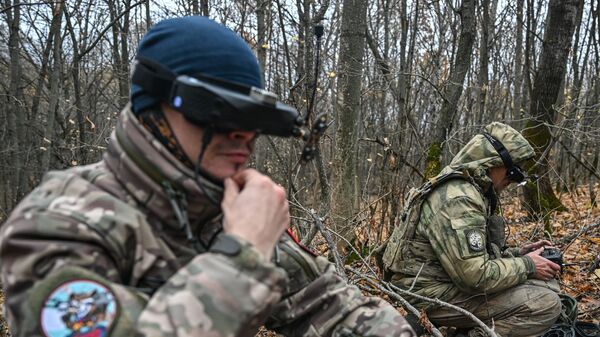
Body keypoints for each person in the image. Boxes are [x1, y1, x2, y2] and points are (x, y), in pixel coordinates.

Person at [0, 17, 415, 337]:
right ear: (156, 112)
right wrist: (245, 254)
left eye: (253, 121)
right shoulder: (60, 222)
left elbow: (334, 309)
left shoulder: (219, 210)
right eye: (218, 115)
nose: (243, 136)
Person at [383, 122, 562, 337]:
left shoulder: (472, 190)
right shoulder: (459, 199)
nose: (512, 181)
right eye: (512, 172)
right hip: (427, 292)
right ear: (493, 163)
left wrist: (520, 254)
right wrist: (528, 265)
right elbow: (475, 276)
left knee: (548, 284)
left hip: (441, 281)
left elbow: (471, 256)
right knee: (545, 303)